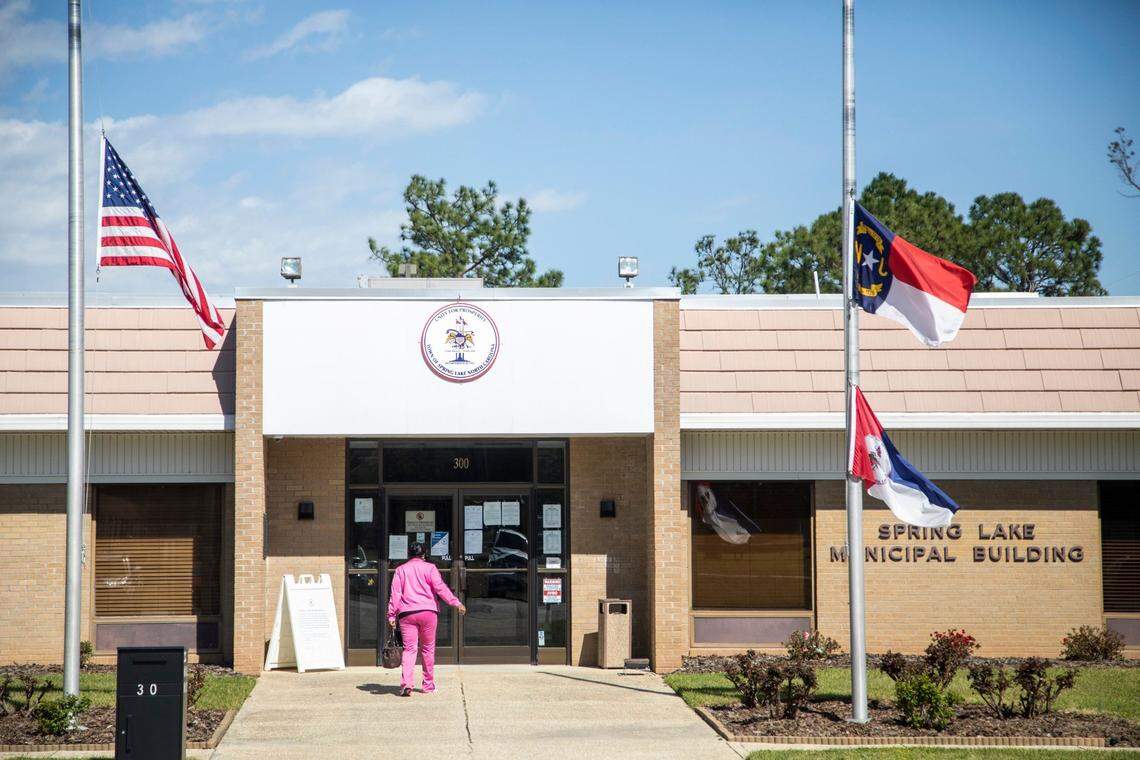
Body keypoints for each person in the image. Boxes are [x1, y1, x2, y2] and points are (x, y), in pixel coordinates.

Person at [387, 542, 466, 696]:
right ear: (424, 554)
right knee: (428, 649)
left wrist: (391, 614)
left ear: (409, 554)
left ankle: (406, 684)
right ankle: (428, 685)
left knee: (410, 649)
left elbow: (395, 594)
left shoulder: (400, 570)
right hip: (428, 612)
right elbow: (440, 588)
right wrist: (456, 603)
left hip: (407, 613)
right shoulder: (430, 568)